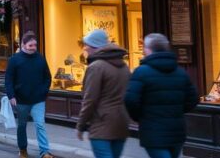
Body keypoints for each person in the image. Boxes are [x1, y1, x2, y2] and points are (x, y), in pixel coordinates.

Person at [124, 33, 199, 158]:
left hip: (153, 131)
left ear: (147, 50)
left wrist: (140, 117)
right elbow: (193, 98)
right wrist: (177, 111)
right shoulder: (180, 72)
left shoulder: (141, 72)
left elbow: (130, 100)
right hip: (176, 130)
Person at [76, 29, 131, 158]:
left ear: (95, 47)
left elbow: (89, 100)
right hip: (121, 122)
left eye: (87, 45)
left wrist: (80, 125)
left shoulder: (96, 67)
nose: (85, 48)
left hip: (102, 124)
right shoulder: (124, 66)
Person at [5, 32, 53, 158]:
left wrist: (43, 92)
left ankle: (45, 152)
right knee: (22, 125)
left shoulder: (40, 58)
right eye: (30, 45)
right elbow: (8, 79)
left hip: (38, 99)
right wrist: (11, 96)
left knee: (40, 124)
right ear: (23, 45)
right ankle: (23, 150)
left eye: (35, 45)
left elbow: (48, 77)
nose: (33, 48)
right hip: (21, 100)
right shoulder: (14, 60)